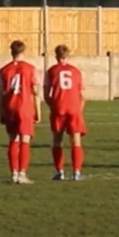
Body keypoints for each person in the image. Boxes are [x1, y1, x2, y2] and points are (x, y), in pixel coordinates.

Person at [0, 40, 41, 184]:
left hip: (10, 107)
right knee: (25, 140)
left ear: (11, 51)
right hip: (24, 107)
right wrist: (38, 112)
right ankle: (22, 173)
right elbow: (35, 92)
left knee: (13, 140)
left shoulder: (4, 70)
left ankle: (14, 173)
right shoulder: (30, 68)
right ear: (23, 51)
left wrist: (0, 112)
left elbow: (0, 94)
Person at [45, 44, 86, 181]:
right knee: (76, 141)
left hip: (58, 108)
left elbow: (46, 93)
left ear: (56, 56)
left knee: (57, 140)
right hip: (74, 108)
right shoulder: (76, 71)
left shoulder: (51, 71)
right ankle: (77, 172)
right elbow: (83, 94)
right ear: (68, 56)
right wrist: (79, 110)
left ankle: (60, 172)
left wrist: (52, 105)